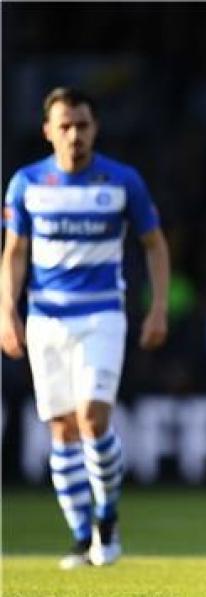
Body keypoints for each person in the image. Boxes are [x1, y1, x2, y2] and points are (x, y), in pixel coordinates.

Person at [0, 87, 170, 569]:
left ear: (95, 128)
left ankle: (107, 520)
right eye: (66, 125)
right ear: (48, 131)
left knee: (93, 418)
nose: (75, 134)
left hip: (101, 315)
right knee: (61, 428)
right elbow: (14, 253)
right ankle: (80, 536)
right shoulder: (27, 183)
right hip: (46, 319)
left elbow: (154, 244)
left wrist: (158, 307)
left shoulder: (122, 181)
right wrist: (6, 311)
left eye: (82, 125)